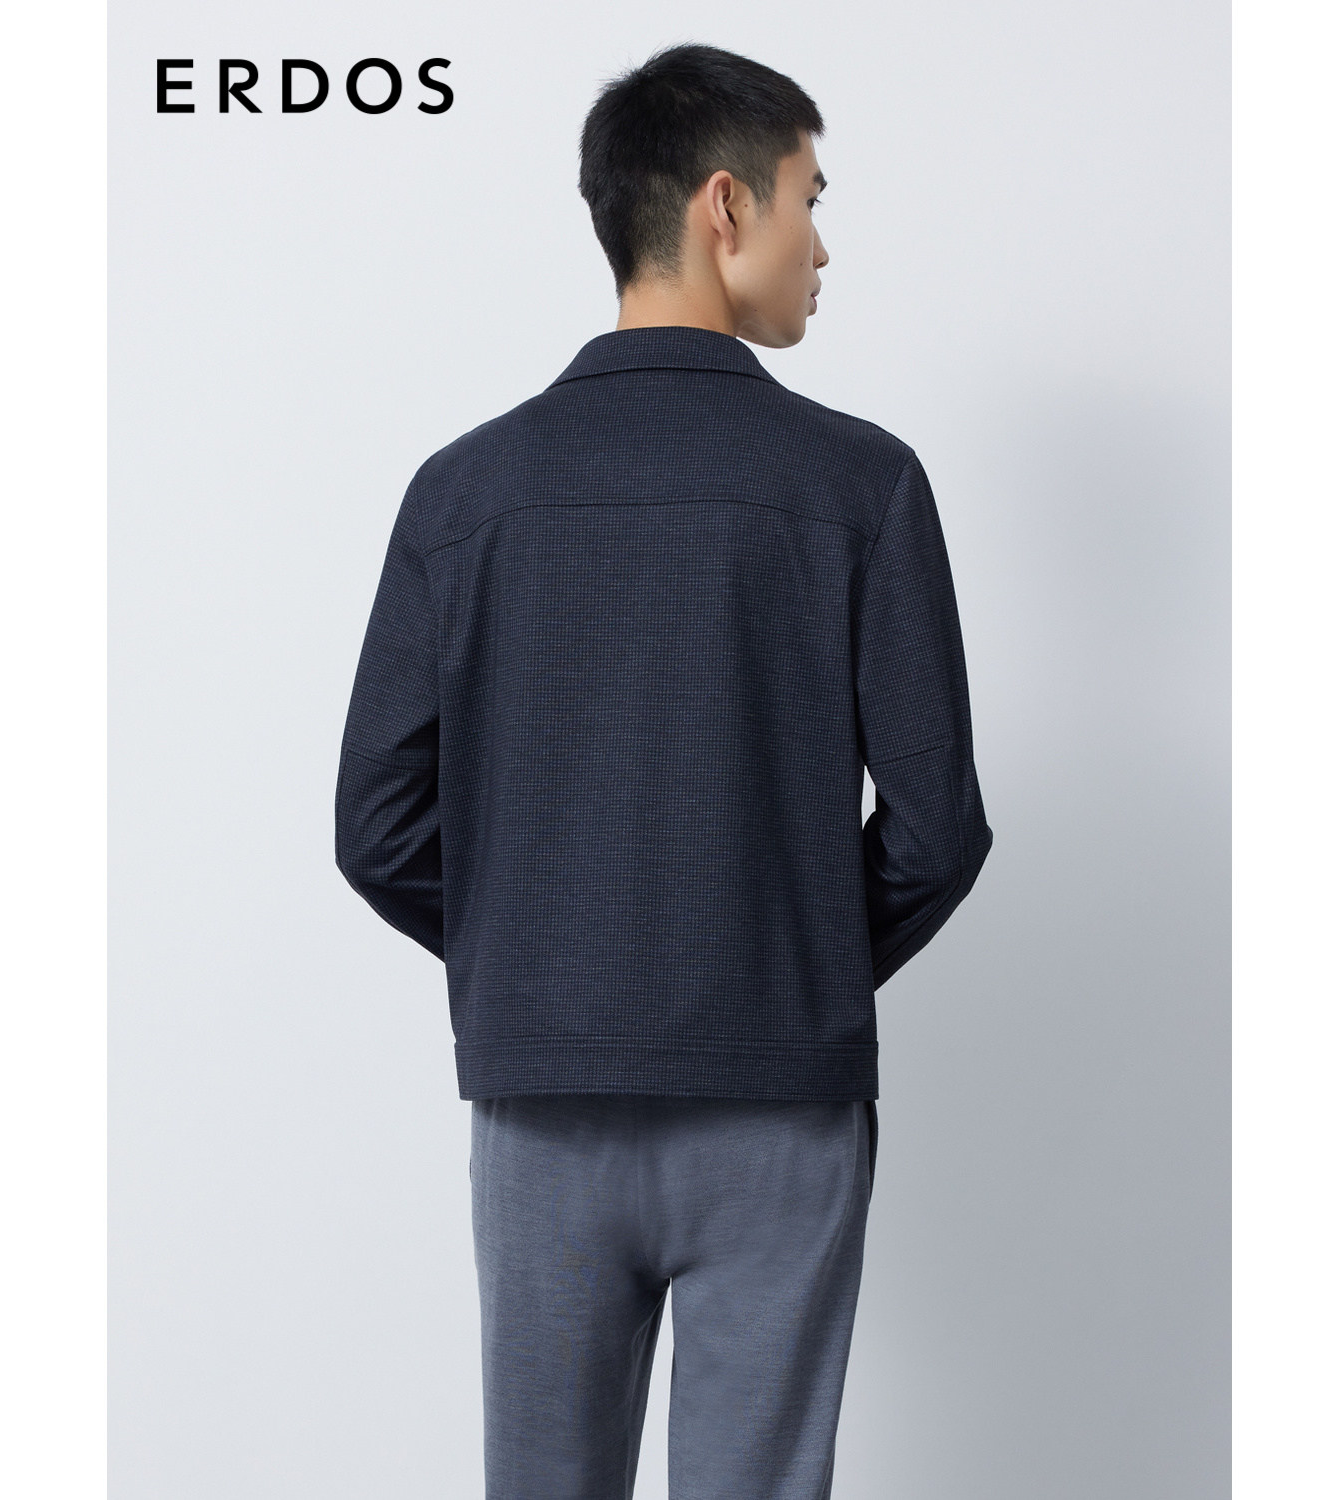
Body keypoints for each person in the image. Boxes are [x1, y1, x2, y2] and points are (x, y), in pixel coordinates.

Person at [334, 41, 993, 1500]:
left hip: (545, 1106)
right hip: (779, 1108)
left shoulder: (465, 490)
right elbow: (938, 831)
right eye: (810, 199)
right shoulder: (860, 483)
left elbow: (376, 828)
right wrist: (785, 962)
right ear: (725, 205)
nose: (823, 246)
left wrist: (538, 954)